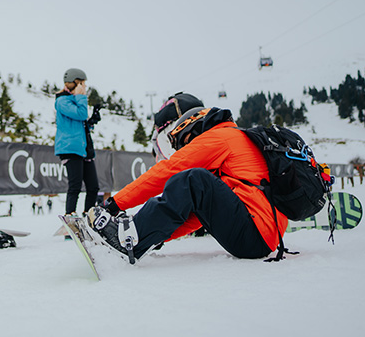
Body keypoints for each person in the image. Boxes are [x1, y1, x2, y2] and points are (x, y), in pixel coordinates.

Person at [88, 94, 285, 262]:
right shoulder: (236, 141)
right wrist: (157, 235)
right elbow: (199, 216)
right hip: (260, 237)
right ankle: (135, 237)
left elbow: (169, 170)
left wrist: (114, 204)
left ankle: (128, 237)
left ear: (195, 128)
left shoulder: (219, 137)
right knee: (196, 183)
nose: (186, 149)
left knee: (191, 178)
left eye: (186, 142)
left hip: (255, 232)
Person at [54, 68, 101, 215]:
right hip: (70, 147)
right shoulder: (62, 101)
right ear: (75, 83)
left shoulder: (74, 100)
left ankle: (88, 216)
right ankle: (70, 217)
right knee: (75, 186)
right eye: (83, 84)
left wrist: (91, 121)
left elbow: (80, 121)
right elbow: (80, 114)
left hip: (84, 148)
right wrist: (82, 97)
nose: (85, 87)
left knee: (93, 187)